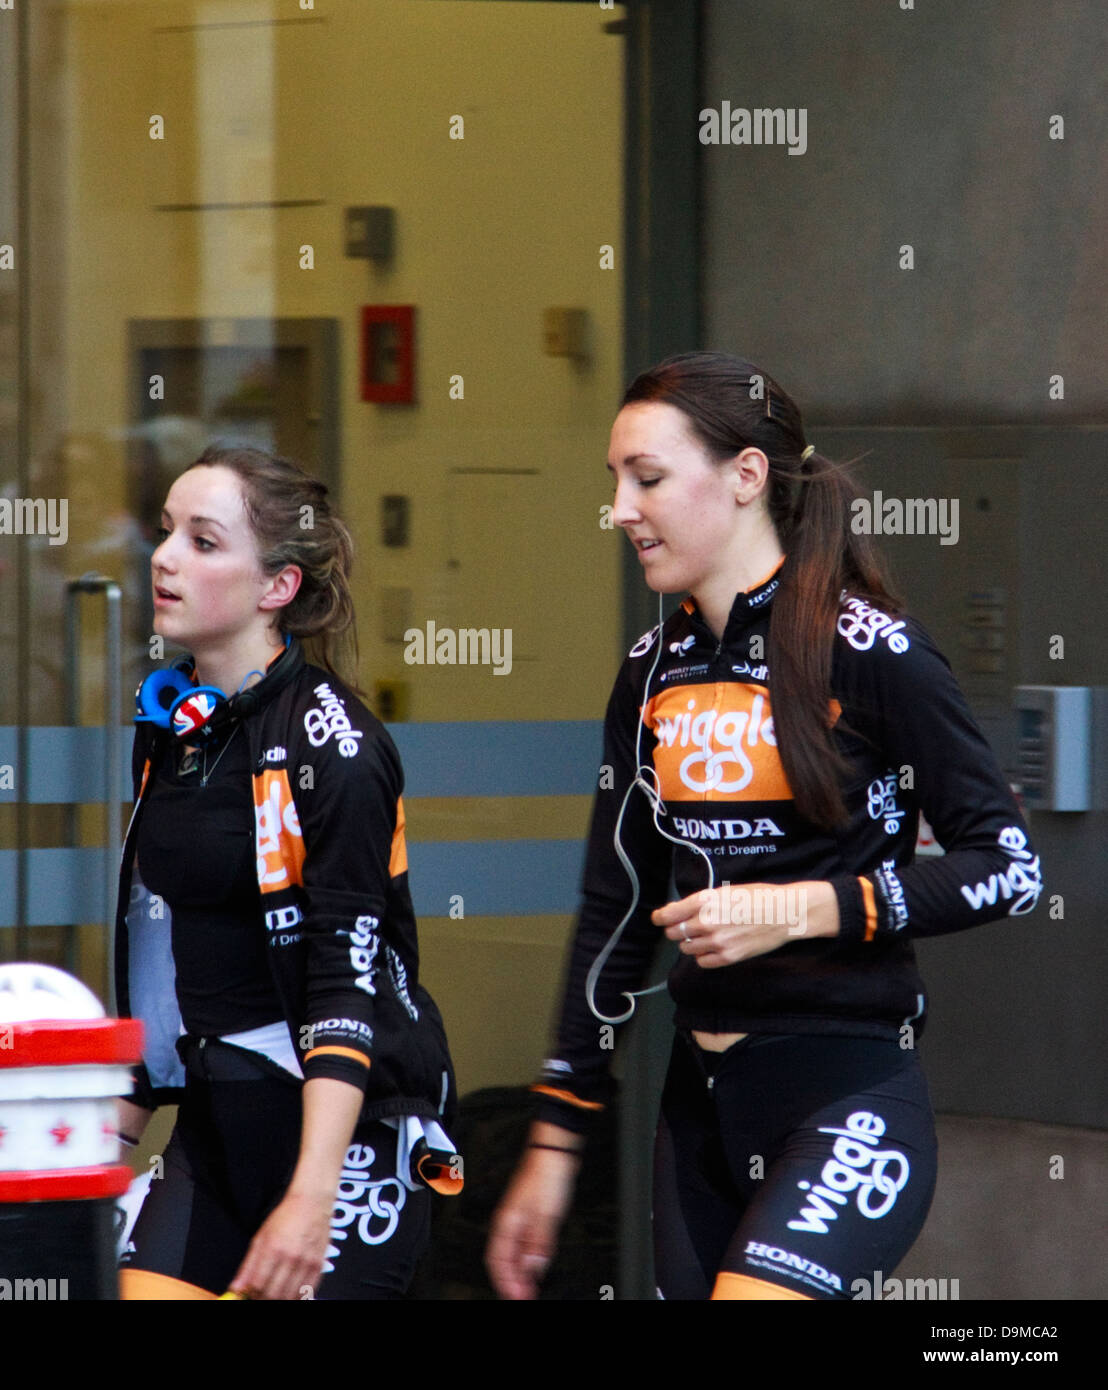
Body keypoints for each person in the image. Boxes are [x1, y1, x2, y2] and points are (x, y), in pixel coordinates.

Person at [486, 351, 1043, 1301]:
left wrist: (801, 909)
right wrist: (555, 1137)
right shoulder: (649, 669)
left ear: (747, 477)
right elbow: (612, 912)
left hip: (845, 1096)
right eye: (616, 482)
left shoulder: (871, 649)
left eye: (648, 479)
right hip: (695, 1114)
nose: (621, 509)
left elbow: (1011, 865)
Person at [114, 443, 459, 1301]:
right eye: (165, 533)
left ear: (277, 589)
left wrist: (312, 1196)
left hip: (346, 1136)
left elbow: (346, 982)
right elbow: (161, 942)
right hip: (217, 1116)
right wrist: (111, 1138)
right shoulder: (173, 722)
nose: (164, 557)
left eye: (203, 540)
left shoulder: (336, 746)